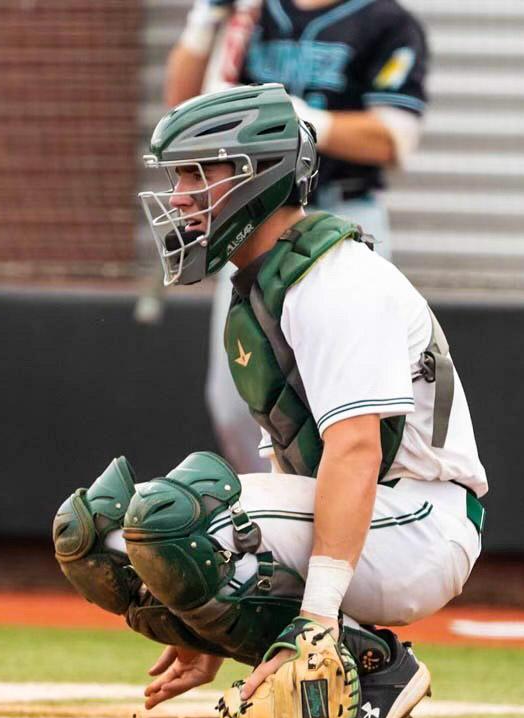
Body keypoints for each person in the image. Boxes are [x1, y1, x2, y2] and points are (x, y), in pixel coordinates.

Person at [56, 84, 485, 718]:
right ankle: (349, 657)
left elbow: (355, 451)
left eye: (199, 174)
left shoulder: (335, 281)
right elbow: (297, 469)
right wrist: (213, 621)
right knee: (102, 536)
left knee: (174, 519)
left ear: (258, 176)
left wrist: (313, 621)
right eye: (178, 176)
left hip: (421, 520)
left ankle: (372, 667)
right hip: (368, 514)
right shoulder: (264, 291)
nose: (178, 197)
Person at [162, 0, 431, 474]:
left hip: (342, 208)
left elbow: (392, 138)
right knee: (237, 397)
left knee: (357, 391)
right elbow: (182, 116)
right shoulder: (252, 14)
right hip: (254, 219)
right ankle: (274, 514)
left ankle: (360, 513)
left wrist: (299, 121)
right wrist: (204, 22)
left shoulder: (387, 21)